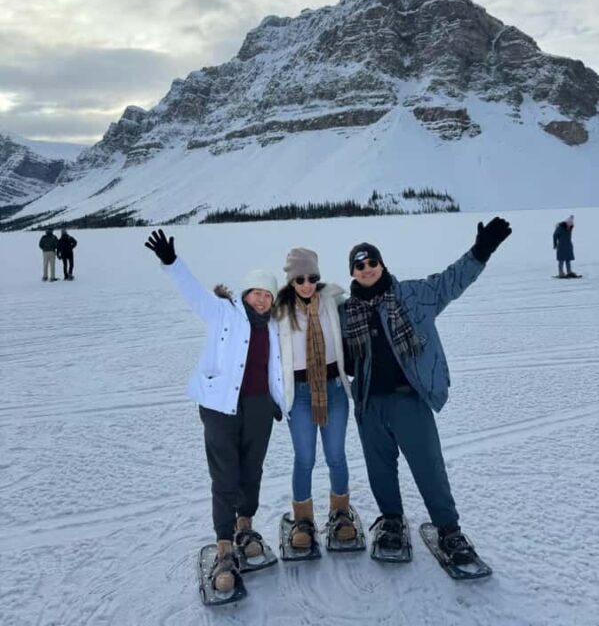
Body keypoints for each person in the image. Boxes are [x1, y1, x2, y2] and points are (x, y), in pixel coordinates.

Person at [340, 217, 512, 564]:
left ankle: (449, 529)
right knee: (380, 469)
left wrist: (481, 250)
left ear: (382, 264)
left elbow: (451, 281)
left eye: (373, 262)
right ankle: (391, 521)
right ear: (353, 273)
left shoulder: (414, 295)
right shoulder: (344, 313)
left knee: (428, 466)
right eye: (360, 265)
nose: (368, 269)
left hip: (409, 398)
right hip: (370, 403)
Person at [144, 229, 286, 594]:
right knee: (225, 475)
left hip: (259, 407)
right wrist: (172, 263)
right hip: (221, 407)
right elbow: (192, 293)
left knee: (251, 470)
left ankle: (244, 526)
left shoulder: (277, 327)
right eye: (256, 292)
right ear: (245, 293)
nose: (261, 299)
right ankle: (224, 547)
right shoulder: (224, 313)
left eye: (267, 294)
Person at [273, 248, 356, 551]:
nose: (307, 284)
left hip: (334, 389)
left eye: (313, 278)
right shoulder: (279, 310)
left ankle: (340, 513)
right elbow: (249, 320)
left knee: (336, 455)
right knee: (304, 459)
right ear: (290, 279)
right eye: (300, 279)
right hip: (301, 395)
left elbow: (365, 302)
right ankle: (304, 520)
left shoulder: (333, 301)